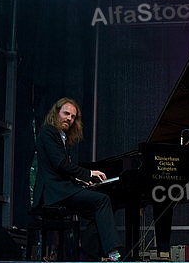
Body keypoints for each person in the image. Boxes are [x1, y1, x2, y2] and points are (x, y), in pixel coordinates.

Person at [33, 97, 122, 262]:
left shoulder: (62, 137)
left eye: (73, 117)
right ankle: (112, 253)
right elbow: (60, 164)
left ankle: (90, 254)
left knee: (102, 208)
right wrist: (88, 174)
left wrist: (78, 181)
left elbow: (59, 168)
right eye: (66, 113)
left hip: (62, 189)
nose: (69, 119)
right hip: (54, 191)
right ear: (56, 113)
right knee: (102, 201)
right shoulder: (48, 131)